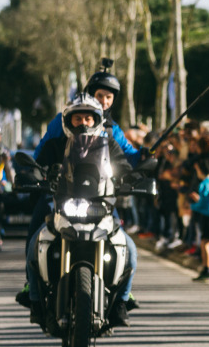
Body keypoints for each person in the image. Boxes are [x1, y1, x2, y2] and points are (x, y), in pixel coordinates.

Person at [27, 93, 135, 332]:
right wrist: (33, 176)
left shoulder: (110, 143)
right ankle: (34, 299)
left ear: (97, 120)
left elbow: (126, 168)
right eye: (78, 118)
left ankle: (121, 303)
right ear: (68, 121)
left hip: (102, 208)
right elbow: (38, 166)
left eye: (88, 117)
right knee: (35, 244)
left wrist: (135, 178)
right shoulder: (56, 145)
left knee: (130, 250)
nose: (83, 123)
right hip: (64, 207)